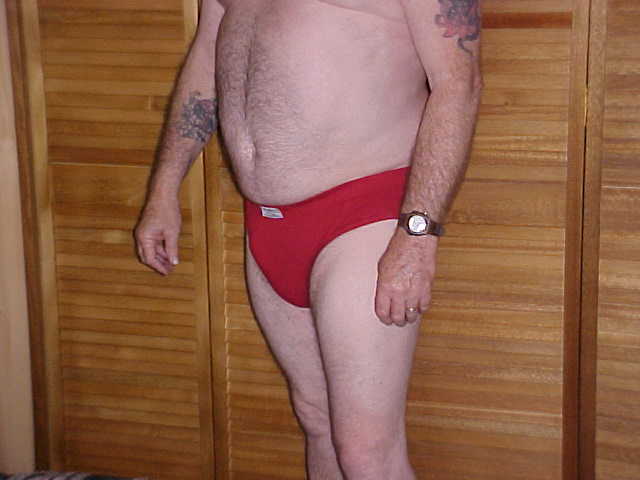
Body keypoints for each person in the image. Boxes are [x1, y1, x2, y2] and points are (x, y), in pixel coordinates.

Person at [135, 0, 482, 478]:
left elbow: (458, 84)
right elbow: (207, 58)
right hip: (269, 219)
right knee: (316, 417)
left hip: (364, 213)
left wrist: (418, 234)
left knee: (366, 449)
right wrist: (163, 187)